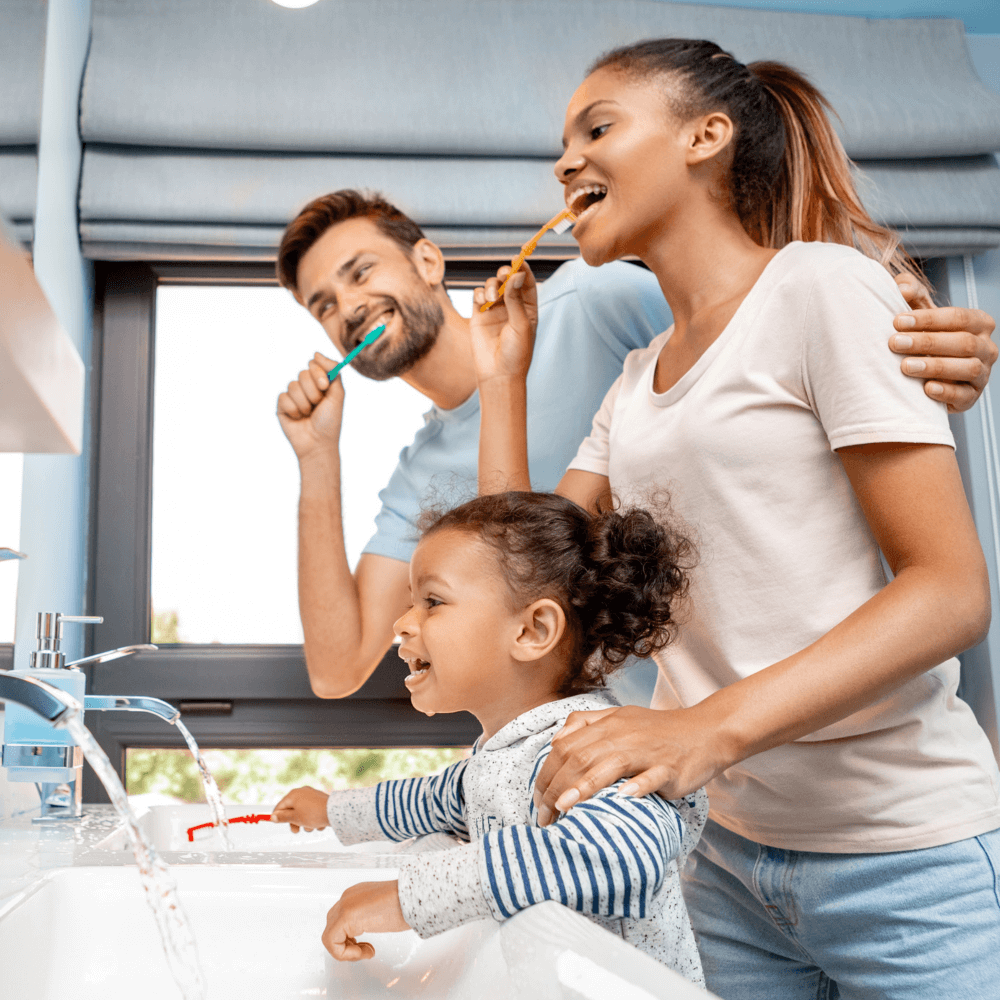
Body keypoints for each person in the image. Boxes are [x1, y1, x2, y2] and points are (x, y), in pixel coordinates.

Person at [470, 39, 1000, 999]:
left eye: (599, 127)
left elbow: (951, 593)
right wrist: (504, 377)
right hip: (728, 861)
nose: (564, 162)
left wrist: (704, 728)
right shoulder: (635, 383)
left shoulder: (820, 288)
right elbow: (522, 583)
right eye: (563, 143)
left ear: (705, 138)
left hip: (909, 857)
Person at [275, 191, 998, 703]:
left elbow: (770, 333)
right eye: (324, 306)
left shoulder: (595, 299)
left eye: (360, 271)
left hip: (821, 703)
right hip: (661, 758)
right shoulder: (419, 478)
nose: (348, 306)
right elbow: (338, 669)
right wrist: (316, 458)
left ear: (428, 262)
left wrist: (891, 329)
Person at [270, 490, 709, 983]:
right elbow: (426, 800)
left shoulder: (594, 752)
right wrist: (331, 810)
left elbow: (616, 855)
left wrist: (406, 898)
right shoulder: (506, 754)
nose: (402, 623)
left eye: (432, 602)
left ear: (532, 631)